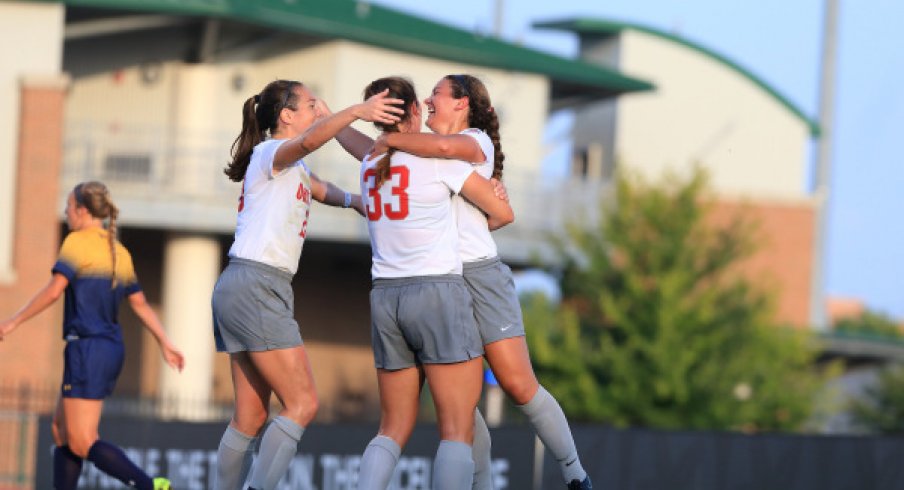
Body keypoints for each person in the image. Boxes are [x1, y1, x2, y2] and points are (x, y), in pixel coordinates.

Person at [372, 74, 593, 490]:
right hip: (438, 281)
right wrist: (340, 125)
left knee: (518, 384)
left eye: (436, 93)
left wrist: (389, 141)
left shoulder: (475, 141)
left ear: (462, 104)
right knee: (461, 409)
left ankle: (575, 472)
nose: (428, 100)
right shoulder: (415, 149)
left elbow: (439, 149)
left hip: (478, 275)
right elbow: (370, 152)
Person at [211, 79, 404, 490]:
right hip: (258, 285)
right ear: (286, 116)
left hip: (242, 284)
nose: (318, 111)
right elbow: (308, 143)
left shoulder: (288, 166)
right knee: (303, 403)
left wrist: (357, 202)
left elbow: (320, 189)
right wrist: (354, 112)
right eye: (310, 105)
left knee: (250, 417)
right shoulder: (271, 152)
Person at [352, 76, 513, 490]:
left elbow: (358, 145)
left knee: (391, 428)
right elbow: (500, 212)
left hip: (385, 298)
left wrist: (335, 119)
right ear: (414, 113)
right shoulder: (436, 160)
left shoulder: (370, 164)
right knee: (457, 430)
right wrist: (498, 190)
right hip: (437, 292)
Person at [0, 181, 184, 490]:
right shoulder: (118, 252)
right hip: (108, 348)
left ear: (83, 211)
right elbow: (139, 304)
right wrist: (165, 343)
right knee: (62, 431)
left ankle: (149, 485)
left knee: (84, 441)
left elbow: (54, 291)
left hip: (87, 348)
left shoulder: (77, 242)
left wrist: (13, 321)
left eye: (69, 206)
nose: (66, 211)